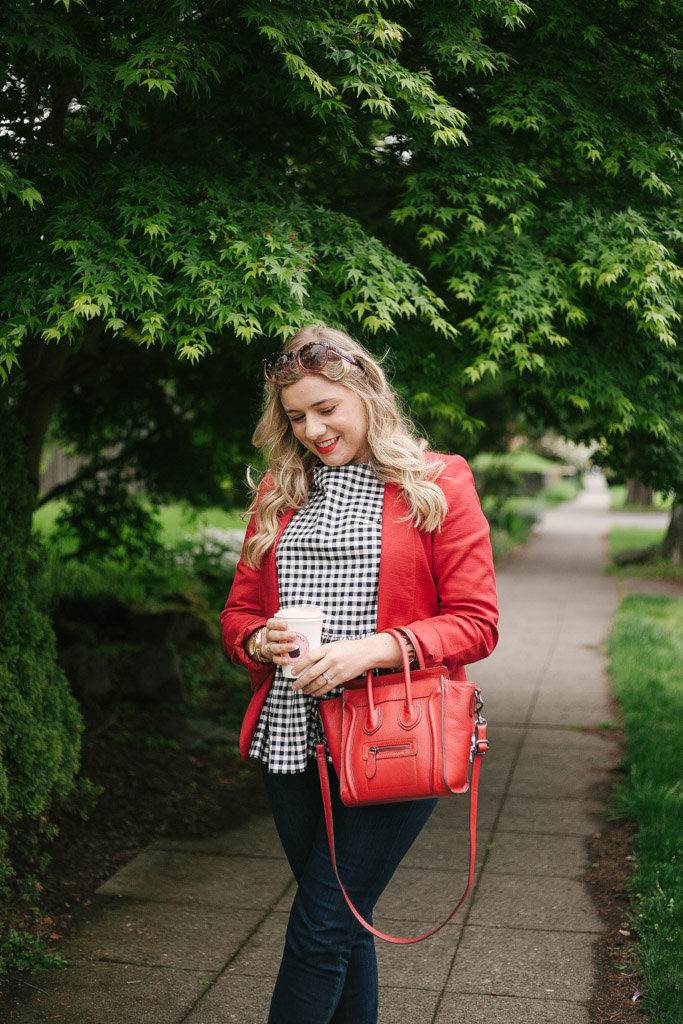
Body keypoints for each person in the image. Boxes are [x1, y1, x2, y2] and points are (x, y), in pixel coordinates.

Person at [220, 325, 498, 1024]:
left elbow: (476, 622)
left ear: (366, 393)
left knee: (319, 928)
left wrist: (371, 649)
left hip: (393, 735)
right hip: (290, 739)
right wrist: (260, 638)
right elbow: (236, 615)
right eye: (295, 417)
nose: (311, 429)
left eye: (325, 409)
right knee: (345, 922)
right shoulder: (280, 492)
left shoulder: (436, 482)